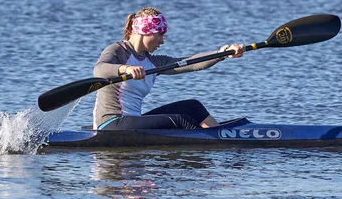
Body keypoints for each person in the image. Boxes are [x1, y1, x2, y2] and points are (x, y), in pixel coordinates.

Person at [92, 7, 245, 130]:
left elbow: (189, 62)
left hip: (133, 121)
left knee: (192, 107)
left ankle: (221, 136)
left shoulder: (153, 61)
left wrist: (222, 54)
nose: (162, 41)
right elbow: (99, 70)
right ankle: (213, 149)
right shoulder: (118, 50)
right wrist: (126, 69)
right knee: (180, 120)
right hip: (111, 124)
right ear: (146, 31)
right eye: (160, 34)